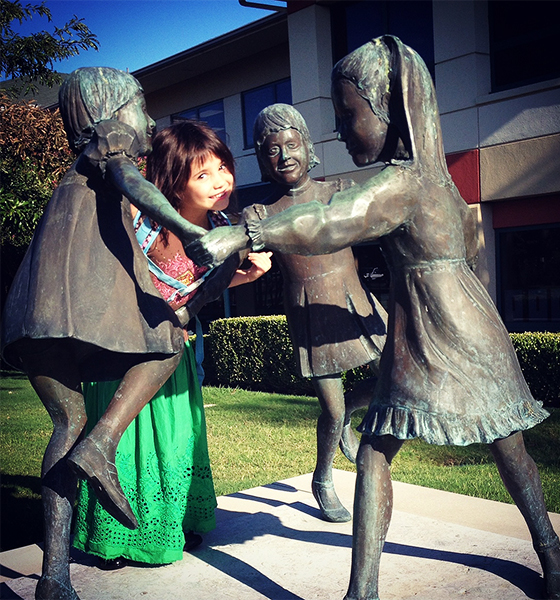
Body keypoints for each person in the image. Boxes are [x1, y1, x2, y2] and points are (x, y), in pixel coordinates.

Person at [192, 36, 560, 600]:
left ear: (388, 110)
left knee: (492, 446)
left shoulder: (402, 183)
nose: (341, 132)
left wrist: (244, 234)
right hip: (456, 323)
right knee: (441, 447)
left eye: (349, 116)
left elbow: (331, 221)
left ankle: (379, 588)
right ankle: (546, 561)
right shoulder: (432, 174)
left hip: (443, 327)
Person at [0, 67, 216, 600]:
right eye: (141, 106)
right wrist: (188, 229)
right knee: (168, 341)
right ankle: (103, 444)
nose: (149, 120)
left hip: (35, 311)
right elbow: (134, 183)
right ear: (111, 112)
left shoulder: (76, 169)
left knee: (66, 423)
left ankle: (54, 576)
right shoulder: (110, 143)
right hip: (75, 305)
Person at [73, 120, 272, 568]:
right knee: (125, 444)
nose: (220, 181)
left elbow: (197, 288)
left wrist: (245, 277)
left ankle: (175, 522)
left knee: (176, 439)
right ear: (172, 183)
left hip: (173, 354)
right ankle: (118, 538)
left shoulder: (224, 228)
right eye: (203, 174)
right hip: (123, 353)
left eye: (223, 168)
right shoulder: (142, 224)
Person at [247, 104, 386, 522]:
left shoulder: (339, 191)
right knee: (332, 408)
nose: (284, 156)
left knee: (396, 378)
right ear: (262, 159)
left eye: (292, 145)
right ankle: (323, 477)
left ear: (308, 147)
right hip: (311, 314)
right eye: (273, 150)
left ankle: (350, 416)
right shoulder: (261, 215)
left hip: (356, 302)